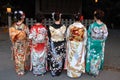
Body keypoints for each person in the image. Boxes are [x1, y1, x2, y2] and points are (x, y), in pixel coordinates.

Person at [86, 9, 108, 76]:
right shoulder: (104, 26)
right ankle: (95, 71)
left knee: (91, 57)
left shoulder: (92, 26)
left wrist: (92, 40)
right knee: (98, 57)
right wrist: (101, 40)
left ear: (95, 17)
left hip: (92, 43)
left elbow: (88, 34)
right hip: (99, 44)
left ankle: (90, 70)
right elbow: (105, 36)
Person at [65, 12, 87, 78]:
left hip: (72, 44)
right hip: (79, 45)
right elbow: (85, 38)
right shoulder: (83, 28)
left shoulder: (70, 27)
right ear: (80, 19)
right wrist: (84, 44)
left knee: (71, 58)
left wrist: (69, 41)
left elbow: (67, 36)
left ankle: (70, 73)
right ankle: (77, 73)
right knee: (78, 58)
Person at [9, 10, 30, 75]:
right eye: (23, 17)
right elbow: (28, 35)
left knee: (18, 57)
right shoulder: (24, 26)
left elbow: (11, 36)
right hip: (23, 43)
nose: (24, 18)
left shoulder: (13, 26)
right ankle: (21, 70)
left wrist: (15, 38)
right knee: (22, 56)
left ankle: (19, 70)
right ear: (21, 17)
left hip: (16, 43)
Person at [47, 12, 66, 77]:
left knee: (54, 58)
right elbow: (64, 37)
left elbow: (49, 37)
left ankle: (53, 71)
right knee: (60, 58)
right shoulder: (63, 27)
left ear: (53, 18)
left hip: (53, 44)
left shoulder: (50, 27)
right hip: (61, 44)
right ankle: (58, 71)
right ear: (60, 18)